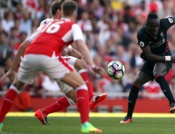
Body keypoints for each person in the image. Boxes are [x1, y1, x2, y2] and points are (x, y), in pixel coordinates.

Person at [0, 1, 105, 133]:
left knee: (15, 87)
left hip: (30, 54)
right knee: (81, 86)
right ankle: (85, 122)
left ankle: (1, 122)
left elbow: (22, 46)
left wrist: (11, 69)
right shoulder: (70, 25)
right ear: (74, 14)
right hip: (51, 57)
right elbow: (80, 45)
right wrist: (93, 64)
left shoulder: (47, 25)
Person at [120, 12, 175, 124]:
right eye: (153, 26)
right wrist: (170, 58)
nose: (156, 28)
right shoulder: (142, 34)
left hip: (164, 58)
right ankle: (128, 116)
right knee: (136, 83)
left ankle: (173, 103)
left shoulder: (163, 23)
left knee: (157, 74)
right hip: (155, 59)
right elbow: (149, 55)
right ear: (147, 25)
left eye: (157, 26)